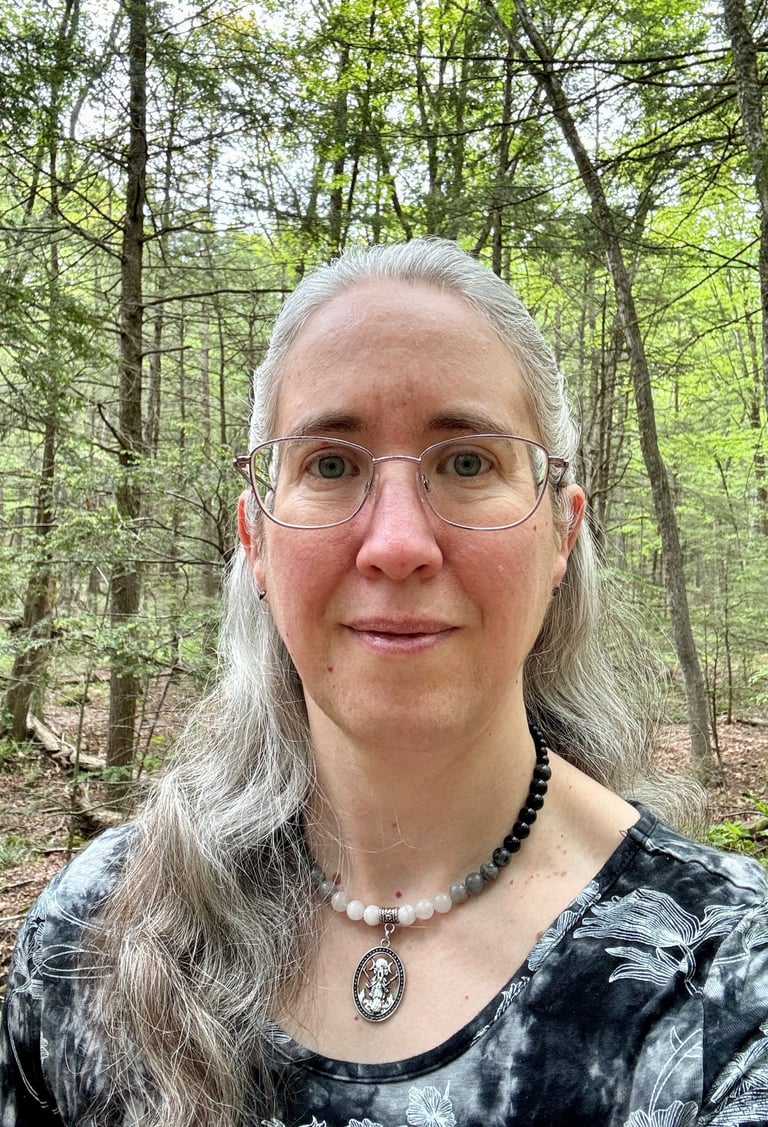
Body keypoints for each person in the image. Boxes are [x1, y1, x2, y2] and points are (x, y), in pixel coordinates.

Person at [1, 237, 767, 1127]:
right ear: (255, 537)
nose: (398, 542)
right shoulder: (92, 942)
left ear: (561, 531)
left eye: (468, 462)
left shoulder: (723, 990)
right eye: (331, 464)